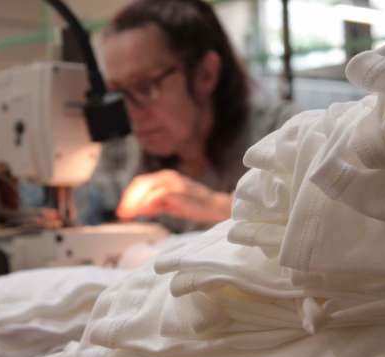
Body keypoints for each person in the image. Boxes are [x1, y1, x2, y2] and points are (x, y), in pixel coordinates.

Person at [77, 0, 298, 233]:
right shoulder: (123, 154)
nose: (131, 113)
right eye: (118, 93)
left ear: (206, 74)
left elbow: (319, 224)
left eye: (144, 87)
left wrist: (217, 206)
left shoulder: (283, 134)